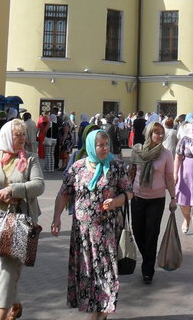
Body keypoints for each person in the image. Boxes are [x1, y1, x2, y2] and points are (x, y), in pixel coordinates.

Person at [51, 129, 132, 319]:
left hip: (107, 230)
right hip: (83, 232)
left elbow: (129, 192)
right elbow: (64, 194)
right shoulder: (77, 167)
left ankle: (101, 310)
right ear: (90, 147)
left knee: (105, 270)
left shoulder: (116, 166)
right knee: (88, 271)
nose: (104, 148)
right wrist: (56, 218)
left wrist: (116, 201)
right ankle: (95, 308)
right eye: (100, 145)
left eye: (106, 145)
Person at [0, 119, 45, 320]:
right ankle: (14, 303)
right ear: (7, 136)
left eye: (24, 134)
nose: (22, 138)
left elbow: (38, 185)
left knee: (7, 270)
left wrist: (14, 190)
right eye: (17, 135)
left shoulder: (30, 159)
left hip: (20, 221)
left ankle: (0, 317)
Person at [129, 121, 176, 283]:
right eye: (157, 133)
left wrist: (173, 198)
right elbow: (132, 172)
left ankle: (148, 270)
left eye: (162, 133)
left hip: (156, 199)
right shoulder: (137, 151)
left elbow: (169, 177)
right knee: (137, 231)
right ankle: (147, 256)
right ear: (149, 134)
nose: (160, 136)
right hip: (137, 197)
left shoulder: (166, 154)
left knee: (151, 233)